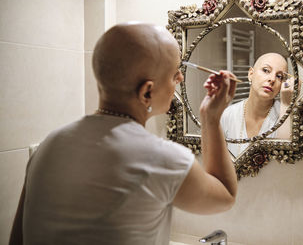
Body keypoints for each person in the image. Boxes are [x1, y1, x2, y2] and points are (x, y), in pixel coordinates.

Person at [9, 22, 238, 245]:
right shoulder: (161, 159)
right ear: (147, 92)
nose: (180, 79)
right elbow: (225, 195)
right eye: (174, 74)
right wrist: (211, 118)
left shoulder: (50, 144)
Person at [220, 53, 294, 157]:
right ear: (251, 74)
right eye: (266, 70)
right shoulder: (228, 115)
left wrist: (286, 103)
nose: (272, 79)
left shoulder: (285, 116)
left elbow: (285, 157)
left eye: (279, 76)